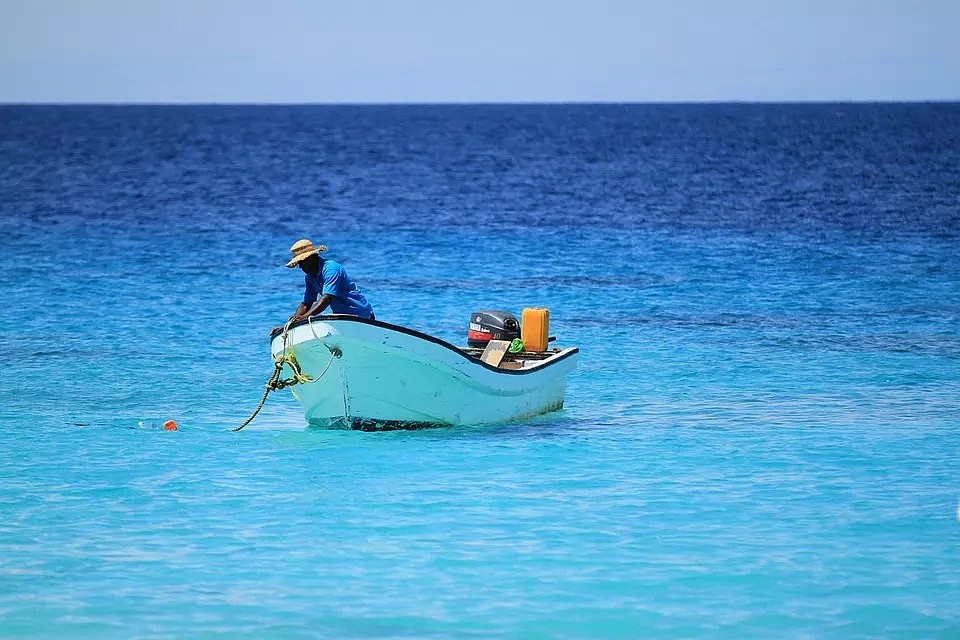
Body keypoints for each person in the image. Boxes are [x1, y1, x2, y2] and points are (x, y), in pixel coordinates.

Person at [281, 239, 375, 326]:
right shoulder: (310, 278)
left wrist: (304, 317)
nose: (300, 267)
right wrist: (290, 324)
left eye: (302, 262)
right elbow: (306, 304)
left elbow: (327, 298)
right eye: (298, 264)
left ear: (312, 258)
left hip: (362, 316)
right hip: (343, 320)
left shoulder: (331, 269)